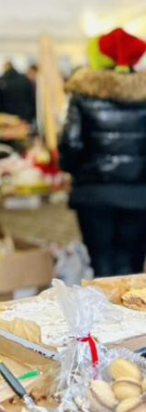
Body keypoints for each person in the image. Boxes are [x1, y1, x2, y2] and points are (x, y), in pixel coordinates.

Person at [59, 29, 146, 277]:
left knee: (101, 264)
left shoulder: (84, 94)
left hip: (94, 194)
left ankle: (104, 314)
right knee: (132, 269)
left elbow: (71, 144)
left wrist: (76, 168)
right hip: (140, 196)